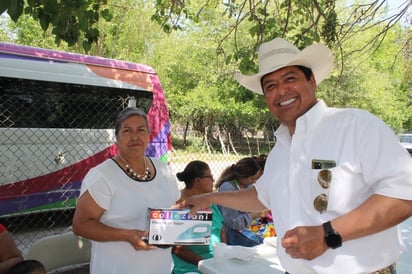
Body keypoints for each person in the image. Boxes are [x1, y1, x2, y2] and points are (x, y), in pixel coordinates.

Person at [177, 37, 412, 273]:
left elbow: (404, 195)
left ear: (312, 81)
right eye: (270, 86)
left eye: (290, 79)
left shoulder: (355, 125)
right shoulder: (281, 148)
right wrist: (211, 198)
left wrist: (327, 234)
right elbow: (262, 196)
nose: (281, 91)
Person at [72, 105, 180, 274]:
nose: (135, 136)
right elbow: (81, 225)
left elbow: (175, 208)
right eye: (127, 131)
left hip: (162, 268)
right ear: (117, 137)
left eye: (141, 130)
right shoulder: (102, 176)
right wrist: (126, 235)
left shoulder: (163, 169)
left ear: (148, 135)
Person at [172, 160, 224, 274]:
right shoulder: (177, 206)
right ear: (197, 180)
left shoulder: (210, 201)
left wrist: (224, 257)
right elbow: (177, 248)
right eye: (210, 177)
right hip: (190, 268)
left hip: (216, 264)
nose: (213, 181)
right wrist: (206, 265)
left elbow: (222, 230)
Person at [216, 157, 269, 247]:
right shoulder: (228, 188)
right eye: (252, 179)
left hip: (245, 227)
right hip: (231, 231)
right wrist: (254, 215)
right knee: (260, 244)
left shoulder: (247, 185)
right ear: (241, 176)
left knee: (270, 238)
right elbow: (233, 222)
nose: (255, 182)